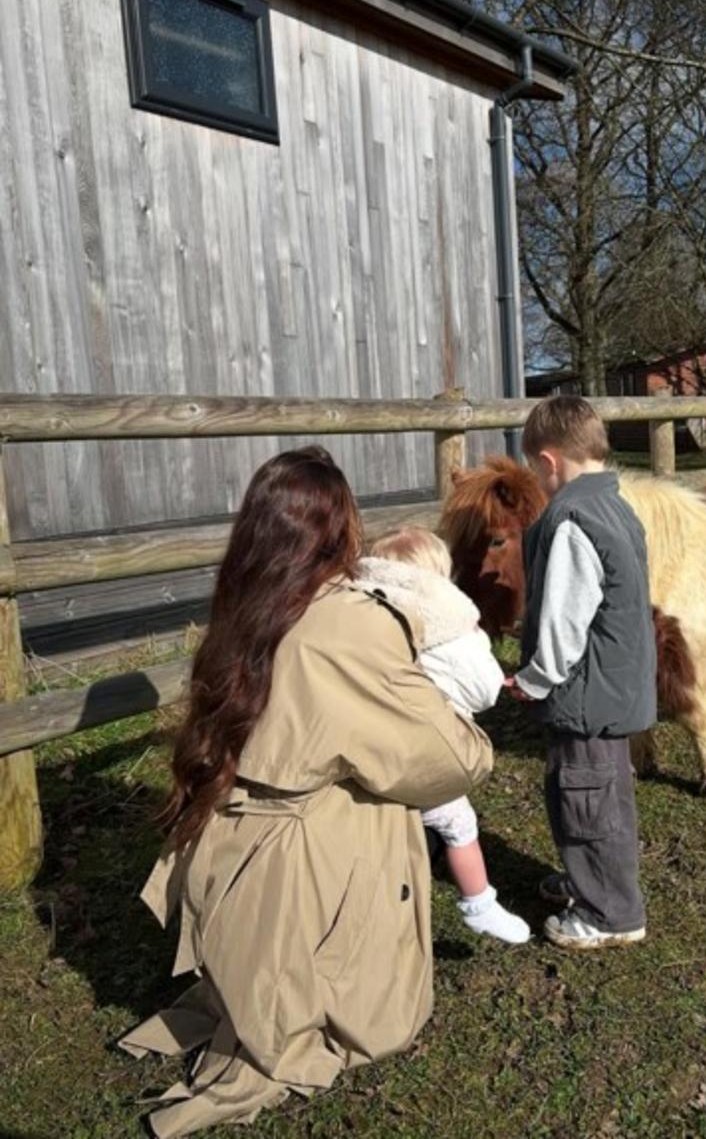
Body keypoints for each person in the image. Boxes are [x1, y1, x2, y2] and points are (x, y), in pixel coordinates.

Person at [120, 448, 493, 1137]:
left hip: (231, 846)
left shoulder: (240, 604)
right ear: (340, 528)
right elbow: (450, 758)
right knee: (375, 799)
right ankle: (319, 992)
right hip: (301, 863)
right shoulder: (349, 621)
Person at [505, 396, 656, 951]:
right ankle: (590, 879)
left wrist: (536, 678)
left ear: (548, 462)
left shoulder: (570, 519)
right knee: (603, 793)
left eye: (534, 470)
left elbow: (564, 617)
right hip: (615, 683)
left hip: (587, 691)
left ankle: (609, 913)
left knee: (584, 796)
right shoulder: (616, 505)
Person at [357, 526, 530, 944]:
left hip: (368, 748)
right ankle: (479, 903)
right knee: (459, 825)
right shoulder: (449, 629)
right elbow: (485, 690)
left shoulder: (360, 617)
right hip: (425, 752)